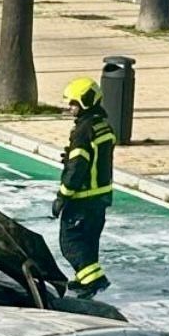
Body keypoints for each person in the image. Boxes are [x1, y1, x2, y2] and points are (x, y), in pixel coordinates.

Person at [54, 77, 116, 299]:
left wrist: (62, 196)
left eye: (73, 103)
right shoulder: (103, 125)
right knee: (89, 240)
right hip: (101, 197)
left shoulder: (83, 131)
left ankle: (93, 281)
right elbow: (94, 158)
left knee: (70, 242)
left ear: (86, 102)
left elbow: (77, 169)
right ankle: (83, 279)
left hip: (82, 198)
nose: (70, 108)